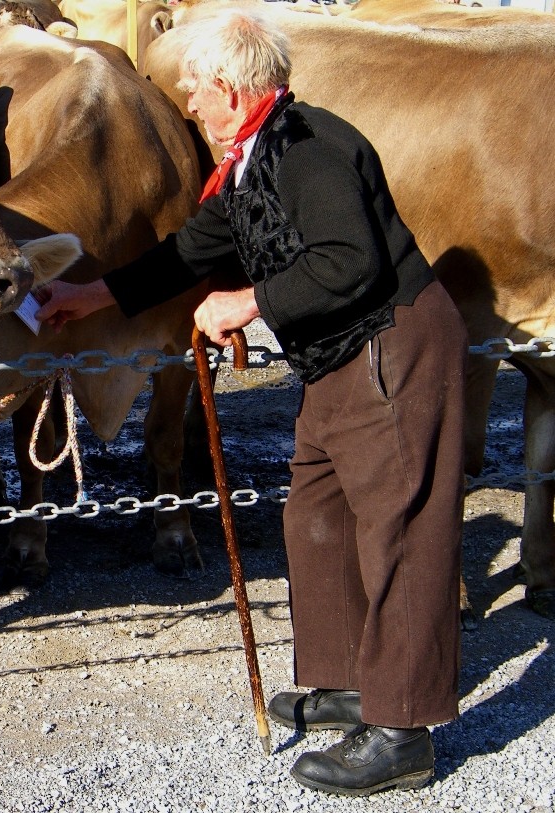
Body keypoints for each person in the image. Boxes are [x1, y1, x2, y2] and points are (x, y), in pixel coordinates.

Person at [34, 7, 466, 798]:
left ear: (232, 91)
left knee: (399, 525)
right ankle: (345, 681)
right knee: (316, 515)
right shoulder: (250, 155)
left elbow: (350, 261)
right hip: (338, 355)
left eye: (195, 89)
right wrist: (88, 293)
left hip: (390, 345)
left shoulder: (309, 151)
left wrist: (246, 304)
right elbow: (191, 249)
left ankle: (404, 728)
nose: (188, 101)